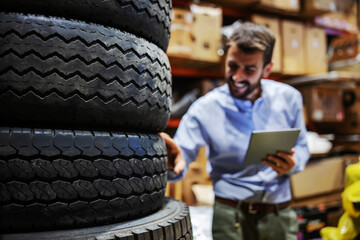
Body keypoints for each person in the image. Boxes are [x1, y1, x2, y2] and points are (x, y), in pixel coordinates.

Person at [162, 22, 310, 240]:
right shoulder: (204, 109)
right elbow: (181, 157)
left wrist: (293, 164)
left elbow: (303, 146)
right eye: (232, 66)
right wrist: (171, 163)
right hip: (230, 218)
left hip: (279, 215)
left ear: (267, 69)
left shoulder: (289, 99)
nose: (238, 77)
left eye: (249, 69)